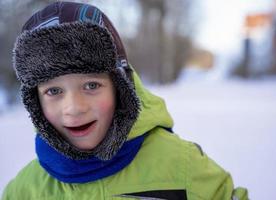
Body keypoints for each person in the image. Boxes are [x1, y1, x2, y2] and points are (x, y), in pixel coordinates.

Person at [2, 1, 248, 200]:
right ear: (35, 103)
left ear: (121, 88)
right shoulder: (24, 191)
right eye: (54, 91)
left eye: (91, 85)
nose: (74, 108)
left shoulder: (181, 166)